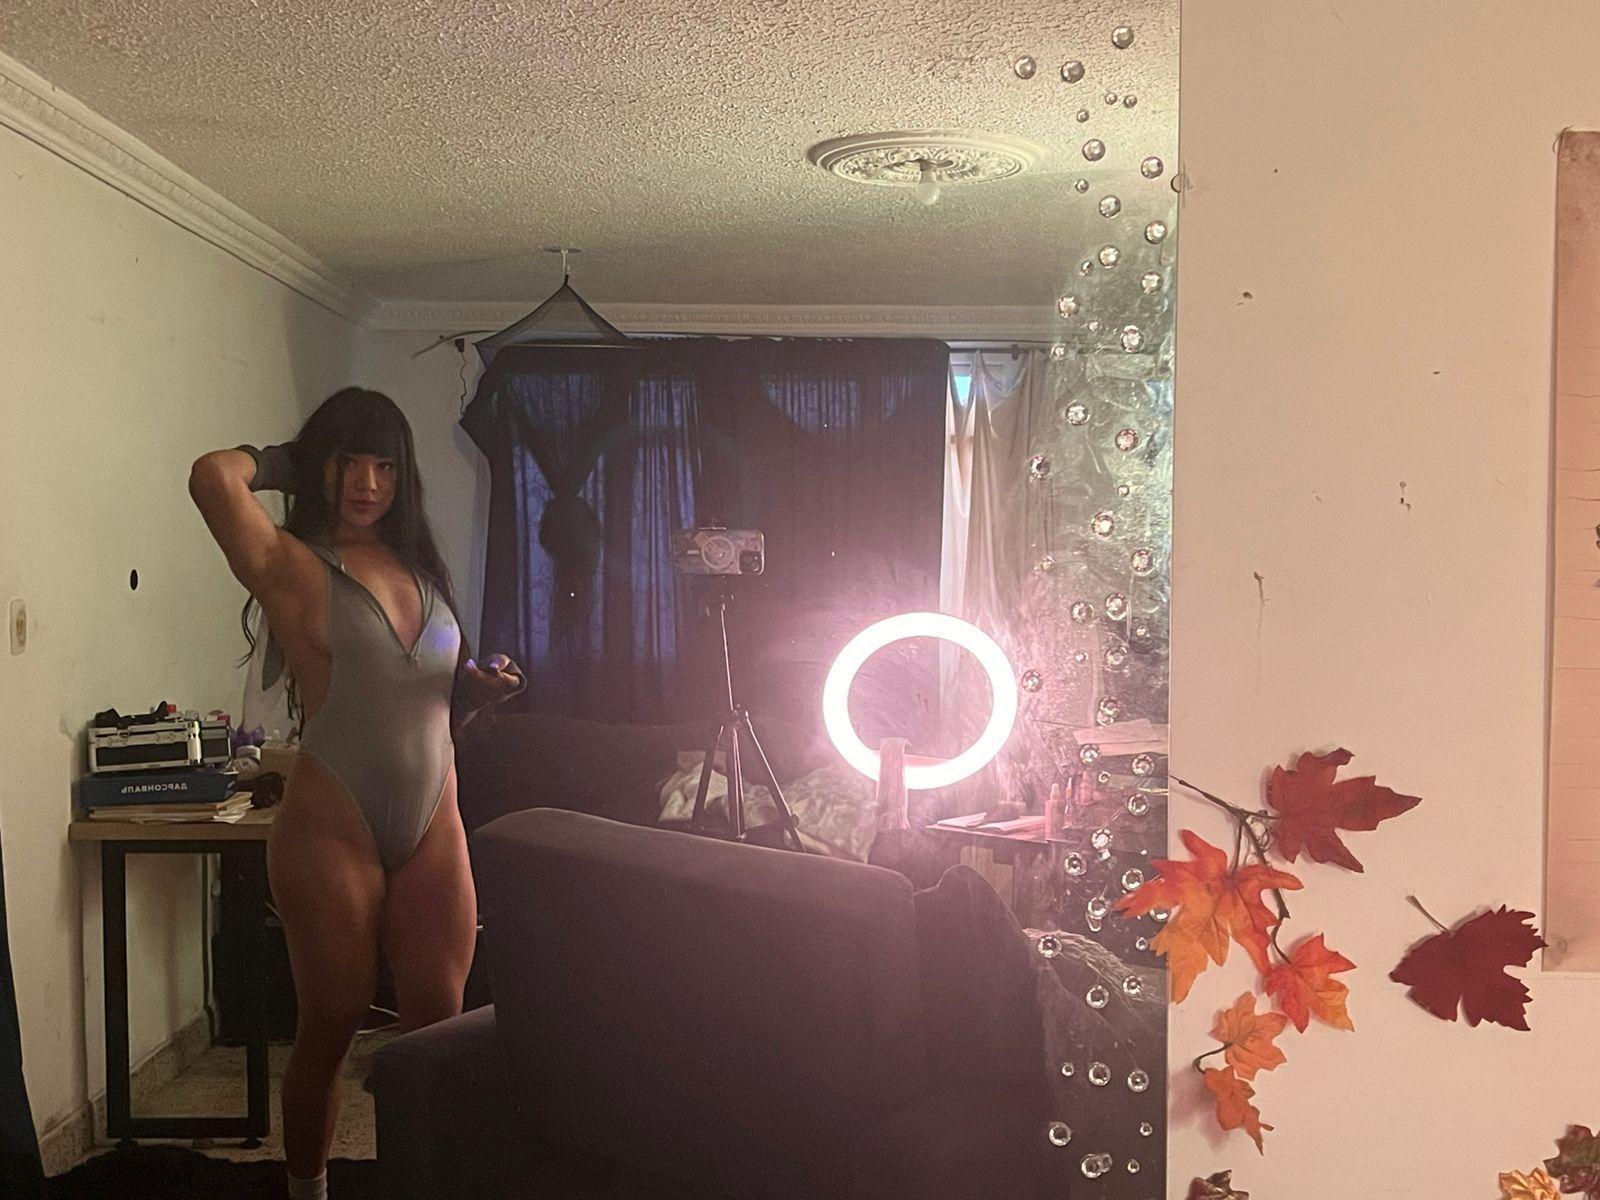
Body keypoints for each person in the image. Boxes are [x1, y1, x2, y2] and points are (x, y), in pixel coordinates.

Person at [188, 387, 524, 1200]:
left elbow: (419, 701)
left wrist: (477, 691)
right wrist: (291, 460)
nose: (367, 483)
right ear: (322, 466)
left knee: (439, 1034)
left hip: (434, 823)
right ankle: (308, 1190)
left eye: (384, 466)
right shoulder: (290, 564)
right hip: (331, 824)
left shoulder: (421, 568)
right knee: (330, 1029)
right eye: (348, 462)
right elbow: (212, 476)